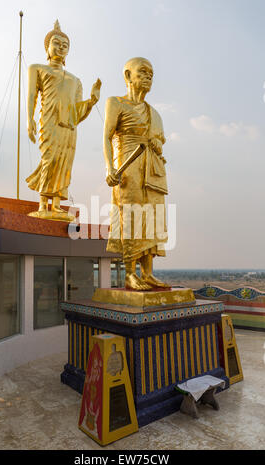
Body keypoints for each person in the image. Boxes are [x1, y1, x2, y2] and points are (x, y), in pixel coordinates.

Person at [103, 57, 170, 290]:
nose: (149, 76)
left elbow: (160, 141)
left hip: (152, 169)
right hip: (128, 165)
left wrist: (158, 144)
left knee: (152, 217)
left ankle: (148, 273)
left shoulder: (154, 114)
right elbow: (107, 137)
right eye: (143, 71)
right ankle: (130, 272)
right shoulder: (116, 103)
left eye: (151, 72)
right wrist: (110, 168)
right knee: (130, 216)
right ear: (128, 75)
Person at [26, 20, 101, 220]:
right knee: (49, 159)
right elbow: (32, 95)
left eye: (65, 45)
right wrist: (30, 120)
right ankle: (43, 204)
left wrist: (92, 101)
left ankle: (57, 204)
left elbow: (77, 112)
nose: (61, 47)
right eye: (56, 43)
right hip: (49, 121)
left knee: (63, 163)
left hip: (68, 127)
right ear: (47, 47)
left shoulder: (75, 80)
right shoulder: (37, 68)